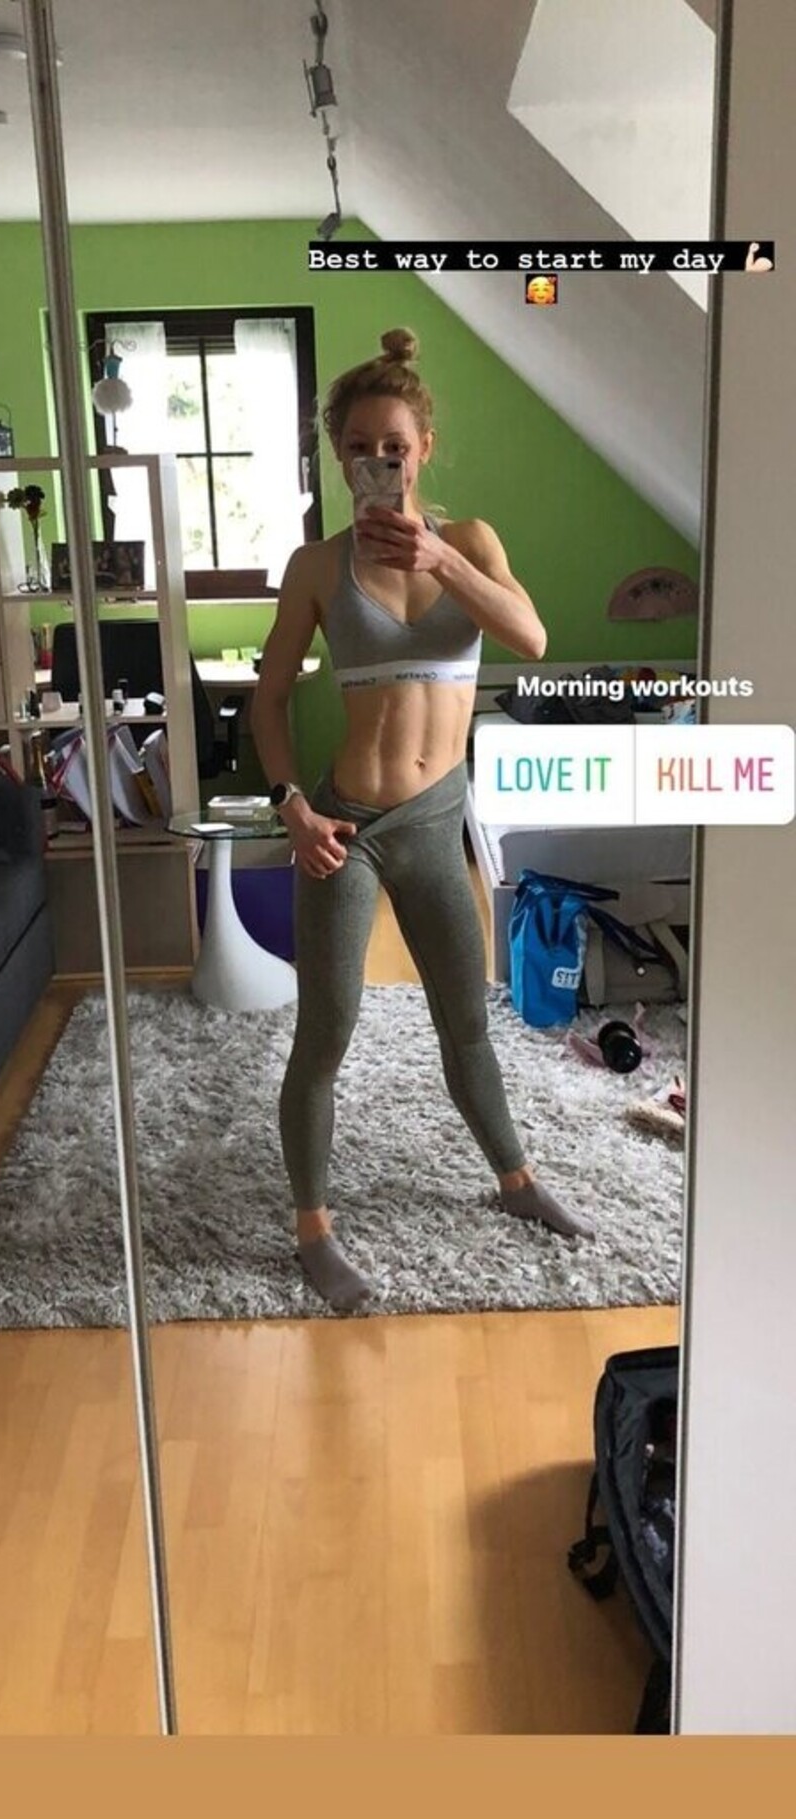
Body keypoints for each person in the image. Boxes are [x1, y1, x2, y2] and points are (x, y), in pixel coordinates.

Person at [251, 327, 595, 1312]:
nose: (379, 462)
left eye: (394, 446)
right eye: (359, 447)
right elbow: (266, 701)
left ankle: (516, 1179)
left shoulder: (471, 543)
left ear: (424, 448)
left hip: (438, 819)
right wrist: (292, 807)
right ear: (338, 456)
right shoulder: (315, 567)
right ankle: (313, 1228)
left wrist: (440, 555)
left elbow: (531, 636)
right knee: (327, 1031)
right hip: (345, 830)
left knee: (465, 1022)